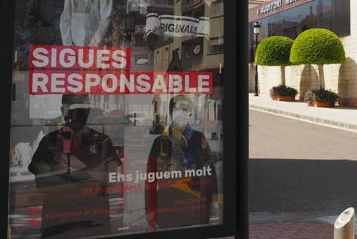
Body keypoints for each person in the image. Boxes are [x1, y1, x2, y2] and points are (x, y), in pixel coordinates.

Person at [28, 94, 122, 238]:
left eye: (82, 109)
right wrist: (87, 176)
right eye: (73, 109)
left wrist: (68, 172)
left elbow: (111, 181)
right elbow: (42, 184)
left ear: (88, 111)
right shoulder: (50, 141)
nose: (77, 114)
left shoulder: (102, 141)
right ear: (63, 110)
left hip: (93, 221)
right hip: (58, 223)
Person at [145, 94, 217, 230]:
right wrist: (151, 209)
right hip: (167, 203)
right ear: (171, 113)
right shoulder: (160, 141)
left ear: (190, 113)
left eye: (185, 109)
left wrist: (212, 201)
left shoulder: (198, 138)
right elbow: (150, 179)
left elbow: (209, 170)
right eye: (177, 109)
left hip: (194, 201)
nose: (181, 113)